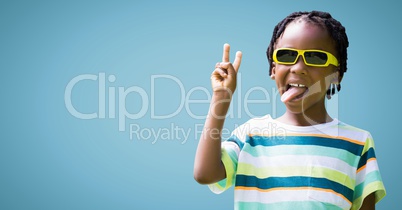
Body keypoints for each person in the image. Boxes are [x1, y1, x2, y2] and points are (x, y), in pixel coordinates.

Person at [193, 11, 386, 210]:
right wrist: (221, 98)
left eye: (316, 57)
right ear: (273, 69)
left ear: (336, 75)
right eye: (287, 55)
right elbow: (205, 173)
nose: (298, 67)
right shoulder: (250, 135)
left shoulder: (358, 143)